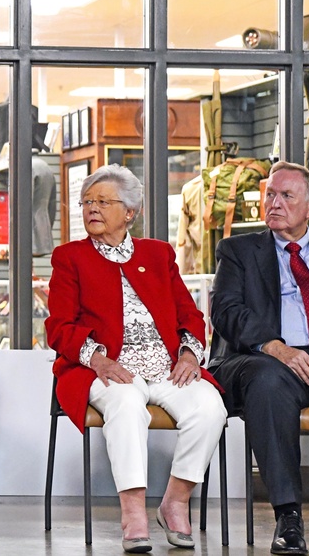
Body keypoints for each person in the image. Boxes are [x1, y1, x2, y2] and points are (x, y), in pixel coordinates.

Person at [46, 164, 226, 554]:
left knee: (210, 407)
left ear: (130, 212)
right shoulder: (69, 257)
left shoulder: (158, 254)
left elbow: (189, 314)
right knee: (127, 405)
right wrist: (98, 359)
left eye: (103, 202)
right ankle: (133, 514)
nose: (91, 209)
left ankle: (175, 502)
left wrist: (190, 353)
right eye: (87, 202)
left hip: (166, 367)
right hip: (106, 369)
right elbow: (59, 326)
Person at [209, 161, 309, 556]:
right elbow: (226, 311)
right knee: (268, 381)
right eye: (269, 195)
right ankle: (288, 517)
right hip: (263, 358)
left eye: (285, 196)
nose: (273, 204)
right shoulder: (238, 250)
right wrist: (279, 347)